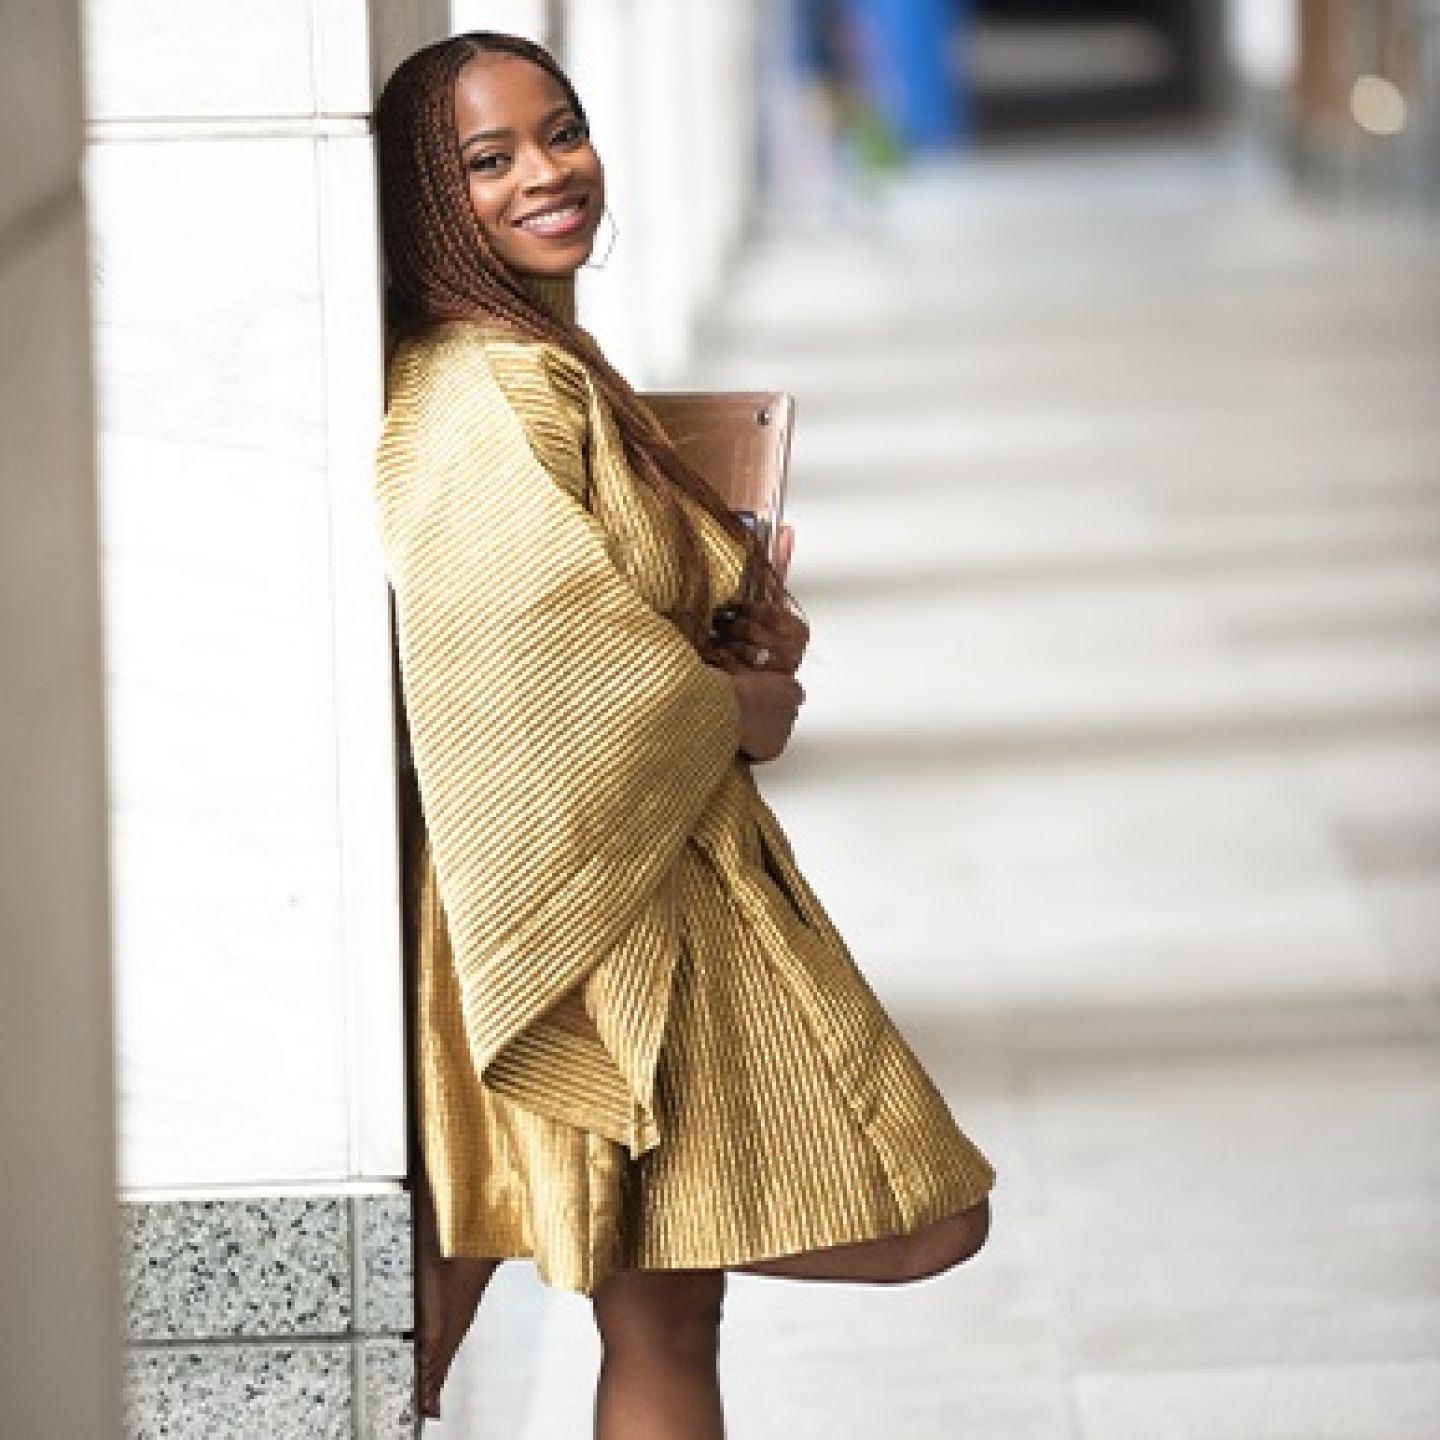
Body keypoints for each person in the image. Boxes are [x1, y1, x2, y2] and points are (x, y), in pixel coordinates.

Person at [373, 32, 996, 1435]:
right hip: (585, 916)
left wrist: (732, 632)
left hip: (645, 877)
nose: (550, 173)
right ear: (426, 195)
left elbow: (598, 622)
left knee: (659, 1306)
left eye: (564, 131)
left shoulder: (543, 359)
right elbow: (524, 676)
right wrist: (730, 705)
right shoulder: (486, 393)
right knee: (881, 1225)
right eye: (490, 160)